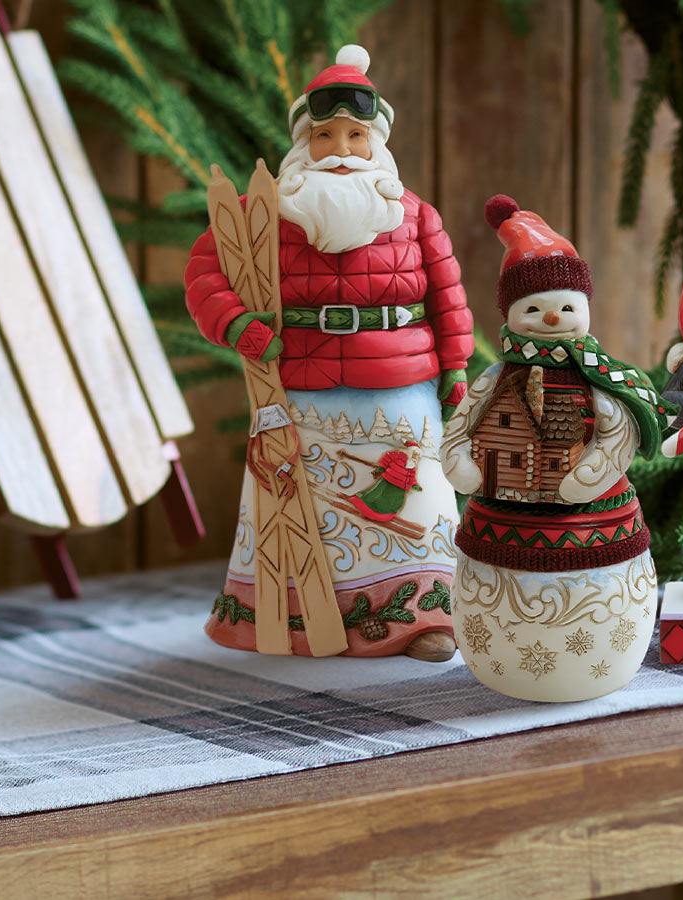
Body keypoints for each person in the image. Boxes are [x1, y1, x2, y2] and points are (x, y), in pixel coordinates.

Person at [186, 45, 471, 661]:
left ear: (377, 144)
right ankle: (289, 620)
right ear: (302, 144)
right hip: (300, 390)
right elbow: (207, 273)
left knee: (416, 501)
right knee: (300, 502)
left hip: (401, 386)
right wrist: (237, 325)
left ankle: (425, 620)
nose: (340, 148)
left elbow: (448, 297)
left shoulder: (415, 215)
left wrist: (455, 367)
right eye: (323, 135)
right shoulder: (262, 217)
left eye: (354, 135)